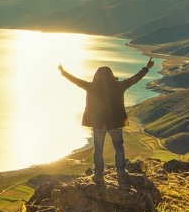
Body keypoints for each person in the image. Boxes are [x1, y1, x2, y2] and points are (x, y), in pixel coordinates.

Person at [59, 58, 155, 186]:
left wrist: (63, 72)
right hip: (114, 123)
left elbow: (76, 81)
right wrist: (146, 68)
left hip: (98, 123)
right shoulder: (119, 86)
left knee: (98, 149)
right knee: (118, 147)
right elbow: (135, 79)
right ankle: (121, 173)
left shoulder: (91, 86)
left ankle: (98, 175)